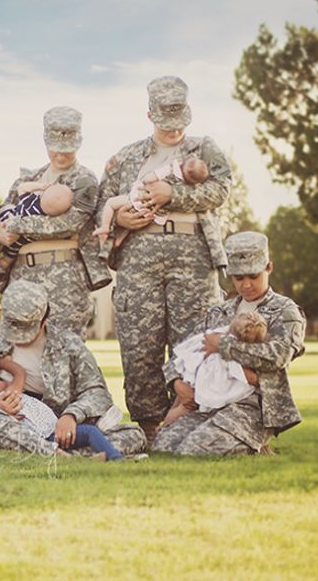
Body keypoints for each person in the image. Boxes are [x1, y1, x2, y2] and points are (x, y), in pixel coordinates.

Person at [96, 76, 232, 444]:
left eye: (179, 122)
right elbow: (101, 205)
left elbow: (221, 188)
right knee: (140, 343)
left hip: (193, 255)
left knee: (194, 341)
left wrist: (173, 193)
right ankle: (149, 426)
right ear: (149, 116)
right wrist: (120, 220)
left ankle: (193, 420)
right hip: (139, 256)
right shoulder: (125, 158)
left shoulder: (204, 148)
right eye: (166, 123)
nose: (174, 130)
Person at [153, 232, 306, 455]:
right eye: (238, 278)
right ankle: (243, 443)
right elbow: (185, 351)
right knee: (164, 446)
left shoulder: (285, 311)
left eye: (253, 276)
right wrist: (177, 384)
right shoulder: (220, 311)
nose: (246, 285)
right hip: (208, 400)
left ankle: (255, 445)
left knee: (194, 450)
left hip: (252, 405)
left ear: (269, 268)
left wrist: (223, 346)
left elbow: (279, 355)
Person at [0, 280, 146, 457]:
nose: (19, 335)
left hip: (62, 428)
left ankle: (59, 454)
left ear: (44, 321)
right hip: (16, 427)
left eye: (26, 329)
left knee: (133, 435)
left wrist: (72, 415)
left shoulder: (69, 346)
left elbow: (97, 393)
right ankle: (69, 455)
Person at [0, 107, 110, 338]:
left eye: (66, 150)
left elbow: (70, 223)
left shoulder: (84, 180)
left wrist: (18, 226)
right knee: (19, 347)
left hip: (64, 277)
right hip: (22, 275)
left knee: (64, 346)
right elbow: (2, 215)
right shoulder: (27, 179)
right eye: (55, 149)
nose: (60, 156)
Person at [0, 369, 125, 461]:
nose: (2, 380)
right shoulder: (7, 396)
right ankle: (115, 457)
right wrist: (7, 362)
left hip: (49, 432)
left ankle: (95, 451)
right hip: (48, 434)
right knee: (90, 432)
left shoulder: (1, 403)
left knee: (92, 432)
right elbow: (19, 374)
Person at [161, 310, 267, 427]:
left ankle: (164, 425)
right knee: (183, 404)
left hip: (200, 376)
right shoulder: (227, 346)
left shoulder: (220, 342)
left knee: (182, 405)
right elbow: (242, 374)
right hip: (204, 377)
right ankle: (164, 425)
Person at [94, 155, 209, 247]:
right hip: (154, 215)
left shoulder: (170, 169)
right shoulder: (186, 187)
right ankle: (120, 239)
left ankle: (105, 227)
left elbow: (148, 179)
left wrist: (145, 180)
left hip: (138, 201)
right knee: (134, 222)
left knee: (110, 203)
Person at [0, 182, 74, 269]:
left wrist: (40, 186)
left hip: (8, 221)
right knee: (7, 258)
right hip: (18, 243)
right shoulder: (46, 221)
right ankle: (4, 263)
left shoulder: (32, 201)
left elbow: (21, 188)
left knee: (7, 210)